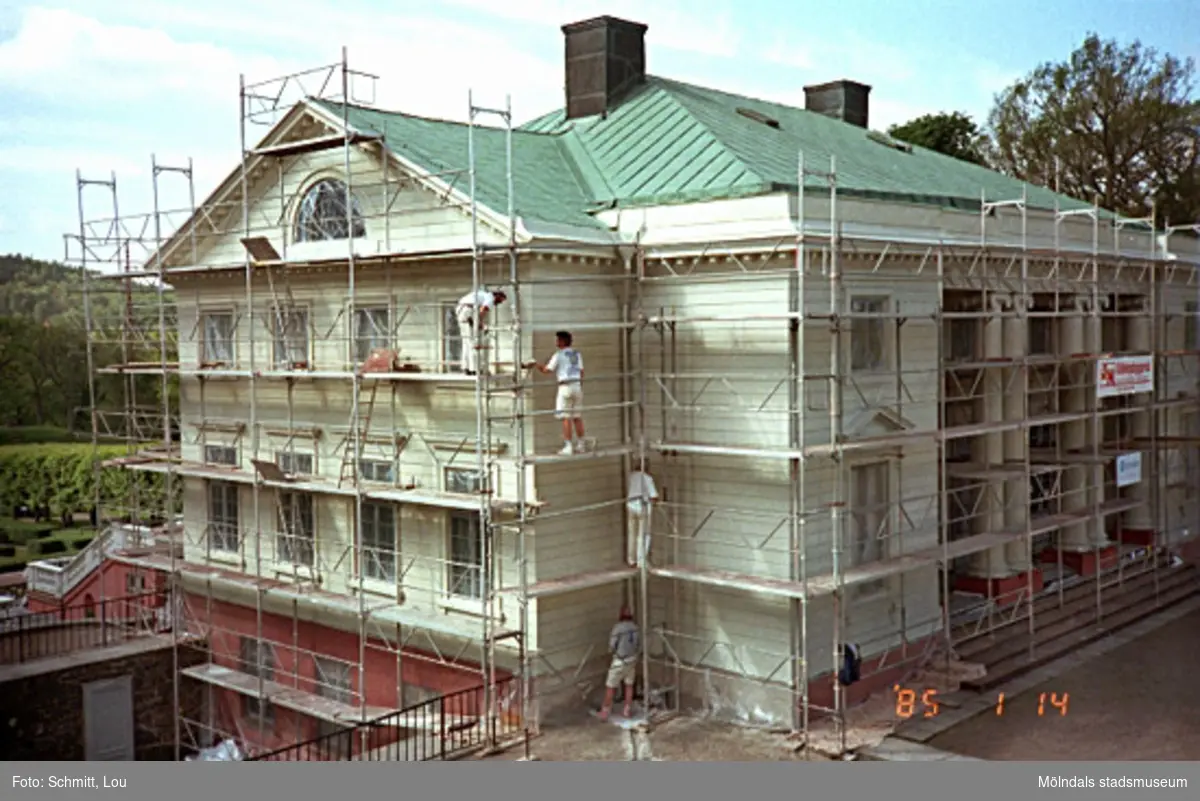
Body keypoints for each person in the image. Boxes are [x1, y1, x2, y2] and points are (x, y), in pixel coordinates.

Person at [534, 330, 585, 455]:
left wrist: (535, 365)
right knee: (577, 417)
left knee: (566, 417)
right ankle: (581, 444)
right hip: (577, 385)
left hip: (565, 387)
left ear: (562, 341)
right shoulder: (577, 354)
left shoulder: (559, 355)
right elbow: (582, 372)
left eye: (558, 340)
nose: (556, 342)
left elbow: (547, 370)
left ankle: (568, 446)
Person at [599, 605, 640, 721]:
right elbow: (638, 645)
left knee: (610, 686)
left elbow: (612, 646)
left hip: (620, 661)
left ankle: (605, 710)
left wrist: (609, 655)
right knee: (629, 685)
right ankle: (627, 710)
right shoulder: (635, 627)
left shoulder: (618, 628)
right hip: (631, 660)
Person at [454, 288, 507, 375]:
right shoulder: (490, 298)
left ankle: (466, 367)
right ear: (497, 296)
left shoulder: (483, 294)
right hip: (468, 311)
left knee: (466, 342)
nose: (499, 303)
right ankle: (474, 369)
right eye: (500, 300)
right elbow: (483, 310)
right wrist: (480, 323)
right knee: (473, 343)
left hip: (461, 311)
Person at [626, 460, 659, 566]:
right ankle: (641, 560)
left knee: (632, 534)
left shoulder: (631, 476)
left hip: (631, 506)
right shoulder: (647, 478)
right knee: (643, 534)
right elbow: (654, 496)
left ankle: (631, 559)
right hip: (643, 507)